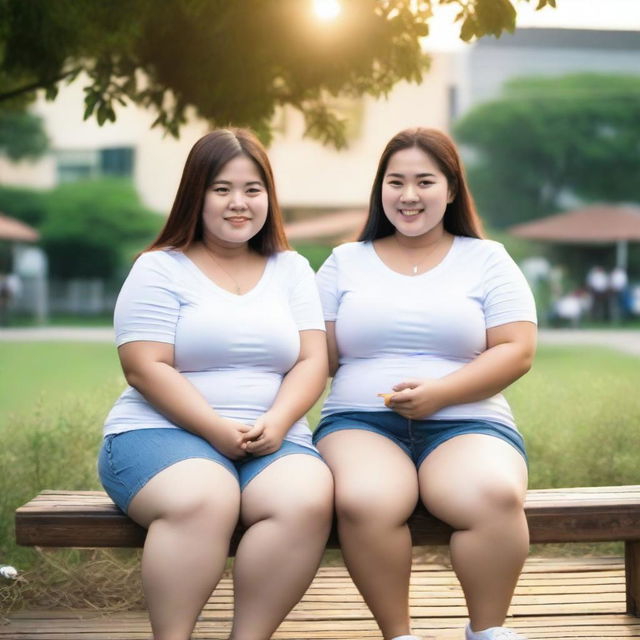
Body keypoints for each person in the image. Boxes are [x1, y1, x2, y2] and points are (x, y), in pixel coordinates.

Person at [98, 128, 334, 640]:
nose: (239, 203)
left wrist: (278, 420)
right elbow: (144, 366)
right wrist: (215, 428)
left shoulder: (291, 269)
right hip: (156, 434)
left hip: (271, 434)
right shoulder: (159, 268)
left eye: (253, 190)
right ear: (195, 194)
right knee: (207, 494)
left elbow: (313, 360)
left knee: (307, 499)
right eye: (222, 189)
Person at [314, 128, 537, 640]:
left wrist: (441, 393)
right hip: (359, 424)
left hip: (468, 423)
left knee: (494, 495)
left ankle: (488, 631)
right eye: (396, 182)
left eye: (424, 181)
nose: (408, 195)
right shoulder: (344, 262)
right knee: (366, 500)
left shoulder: (488, 259)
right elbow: (314, 357)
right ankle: (400, 635)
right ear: (380, 189)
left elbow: (516, 349)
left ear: (452, 189)